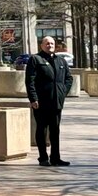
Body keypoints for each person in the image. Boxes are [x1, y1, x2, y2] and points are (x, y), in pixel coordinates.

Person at [25, 35, 73, 166]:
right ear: (41, 45)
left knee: (55, 130)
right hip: (41, 102)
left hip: (56, 102)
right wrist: (33, 98)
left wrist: (63, 92)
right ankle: (43, 157)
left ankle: (55, 157)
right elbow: (30, 81)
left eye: (52, 43)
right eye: (47, 43)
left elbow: (69, 79)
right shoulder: (35, 59)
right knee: (42, 129)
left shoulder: (61, 61)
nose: (49, 45)